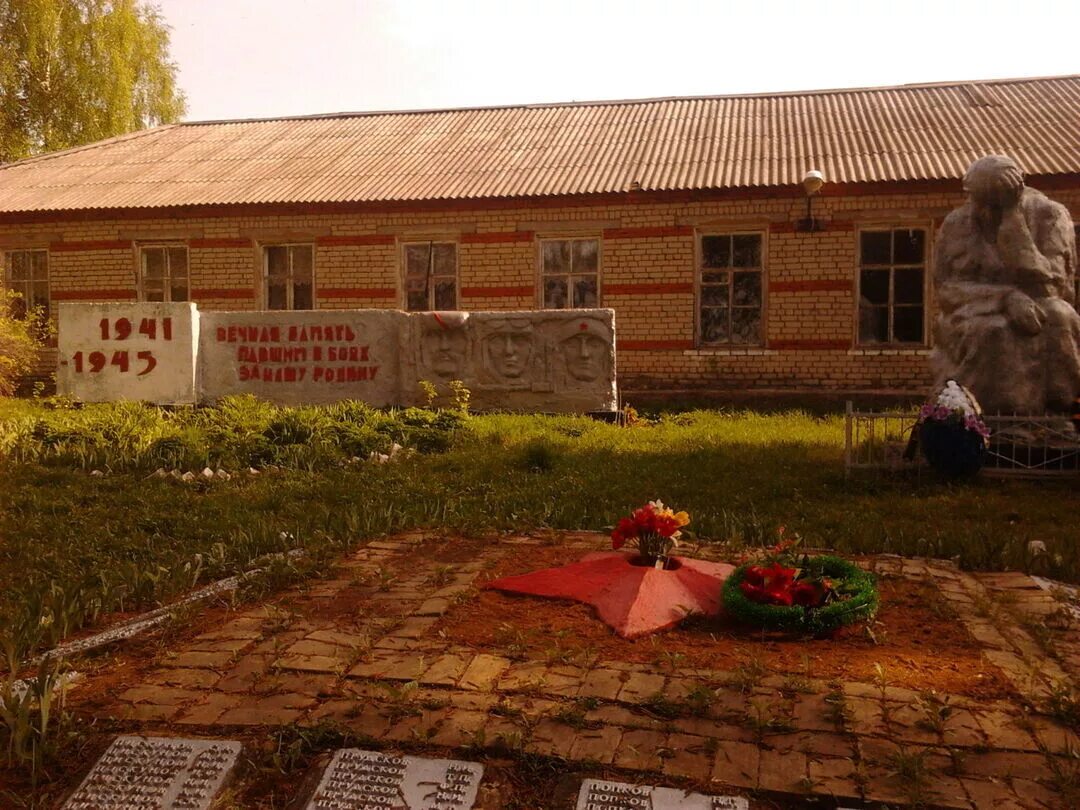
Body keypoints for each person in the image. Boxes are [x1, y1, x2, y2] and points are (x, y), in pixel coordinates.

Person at [932, 155, 1080, 415]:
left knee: (1057, 317)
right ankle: (980, 420)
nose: (986, 212)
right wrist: (1005, 298)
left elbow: (1054, 286)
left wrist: (1013, 222)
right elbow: (946, 288)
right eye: (979, 202)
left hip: (1042, 304)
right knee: (992, 330)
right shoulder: (956, 224)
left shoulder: (1050, 216)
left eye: (996, 204)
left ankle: (1059, 415)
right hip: (974, 310)